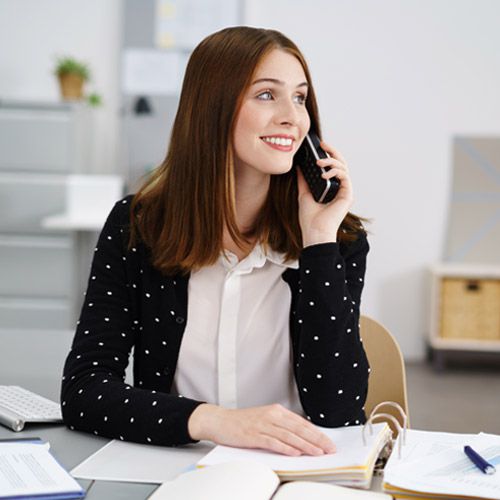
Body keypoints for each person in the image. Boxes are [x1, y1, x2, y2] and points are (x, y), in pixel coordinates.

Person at [61, 26, 370, 458]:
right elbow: (84, 391)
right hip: (176, 466)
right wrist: (214, 420)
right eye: (266, 95)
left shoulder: (339, 239)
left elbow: (339, 409)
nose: (293, 118)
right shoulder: (138, 227)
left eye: (300, 98)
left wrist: (319, 240)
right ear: (213, 108)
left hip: (294, 473)